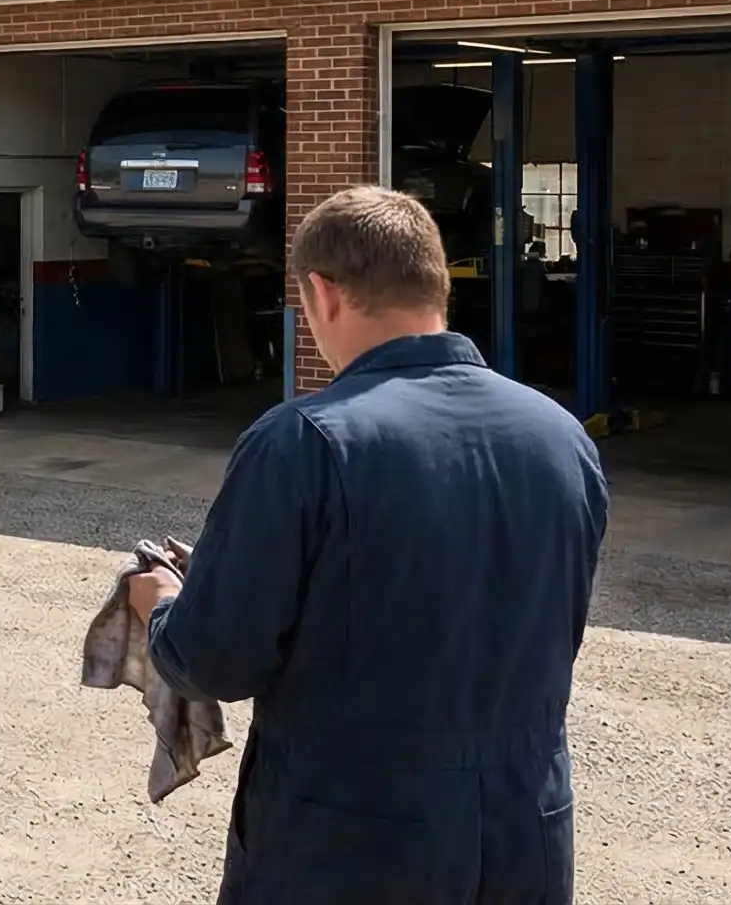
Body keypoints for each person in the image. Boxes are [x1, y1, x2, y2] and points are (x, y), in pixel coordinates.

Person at [133, 185, 607, 904]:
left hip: (349, 844)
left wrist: (165, 603)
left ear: (323, 294)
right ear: (436, 287)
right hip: (525, 832)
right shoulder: (559, 437)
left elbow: (215, 658)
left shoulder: (303, 441)